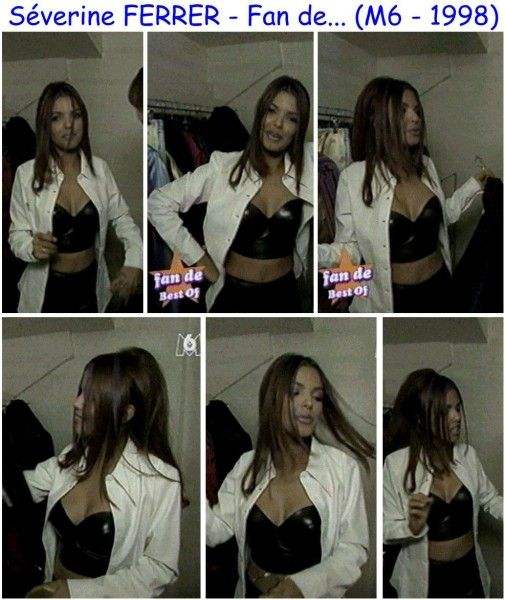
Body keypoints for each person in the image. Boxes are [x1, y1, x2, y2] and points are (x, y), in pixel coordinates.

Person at [319, 77, 492, 313]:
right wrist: (317, 254)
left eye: (417, 111)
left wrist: (475, 185)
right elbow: (351, 251)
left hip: (442, 288)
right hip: (395, 302)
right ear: (378, 119)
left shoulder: (426, 165)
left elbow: (442, 217)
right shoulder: (354, 178)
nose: (415, 118)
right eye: (403, 111)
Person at [207, 353, 374, 598]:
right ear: (272, 399)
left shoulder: (342, 469)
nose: (309, 403)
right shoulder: (247, 466)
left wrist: (302, 587)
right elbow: (216, 528)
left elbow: (353, 550)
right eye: (296, 392)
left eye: (317, 397)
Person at [23, 348, 182, 598]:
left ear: (126, 413)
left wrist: (74, 592)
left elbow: (160, 569)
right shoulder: (72, 457)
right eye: (81, 392)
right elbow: (21, 487)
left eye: (92, 398)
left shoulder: (161, 481)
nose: (77, 403)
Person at [148, 75, 314, 313]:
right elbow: (158, 202)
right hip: (233, 297)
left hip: (286, 296)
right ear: (260, 114)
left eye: (291, 118)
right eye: (272, 111)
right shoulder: (224, 167)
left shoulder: (307, 171)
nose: (278, 124)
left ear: (299, 128)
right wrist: (202, 263)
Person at [9, 81, 143, 313]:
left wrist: (134, 261)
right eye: (56, 118)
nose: (69, 125)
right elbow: (16, 234)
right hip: (46, 293)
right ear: (46, 125)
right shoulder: (26, 174)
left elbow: (123, 220)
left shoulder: (100, 170)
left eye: (76, 115)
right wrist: (32, 247)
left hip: (90, 287)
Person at [383, 369, 503, 598]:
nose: (456, 417)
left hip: (470, 575)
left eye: (457, 408)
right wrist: (412, 526)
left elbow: (490, 499)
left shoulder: (468, 456)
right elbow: (385, 528)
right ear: (421, 418)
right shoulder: (396, 465)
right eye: (446, 410)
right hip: (428, 584)